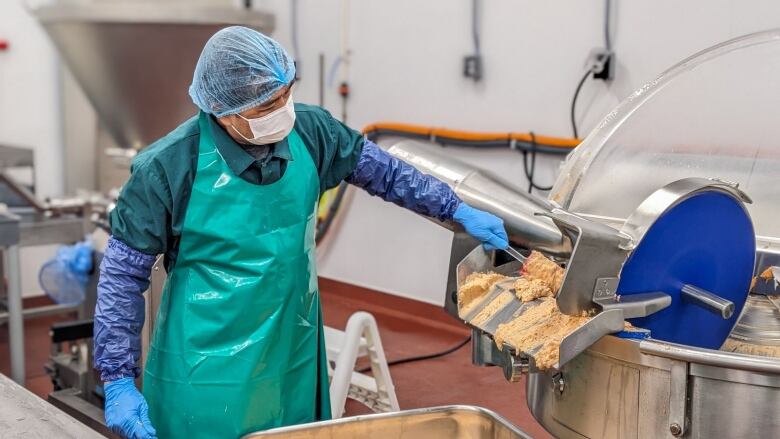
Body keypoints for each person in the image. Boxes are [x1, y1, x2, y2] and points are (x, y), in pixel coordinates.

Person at [94, 26, 509, 439]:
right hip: (205, 364)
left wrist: (454, 208)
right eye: (265, 106)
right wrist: (116, 378)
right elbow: (122, 277)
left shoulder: (312, 132)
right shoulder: (167, 167)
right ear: (220, 107)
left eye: (286, 94)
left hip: (292, 344)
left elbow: (386, 174)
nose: (282, 110)